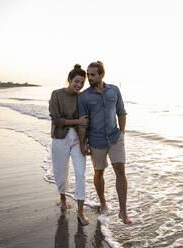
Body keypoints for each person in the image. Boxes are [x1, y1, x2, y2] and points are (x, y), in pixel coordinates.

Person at [77, 61, 132, 224]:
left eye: (93, 75)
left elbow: (121, 113)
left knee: (120, 170)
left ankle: (123, 211)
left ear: (102, 75)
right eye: (88, 74)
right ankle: (102, 202)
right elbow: (83, 123)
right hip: (96, 140)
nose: (89, 78)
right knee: (99, 172)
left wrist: (121, 134)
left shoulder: (114, 90)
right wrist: (83, 143)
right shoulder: (84, 97)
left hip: (115, 138)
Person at [49, 64, 90, 225]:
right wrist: (77, 121)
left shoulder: (82, 98)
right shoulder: (57, 94)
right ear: (70, 79)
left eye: (82, 83)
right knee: (61, 174)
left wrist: (85, 143)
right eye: (76, 82)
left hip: (78, 140)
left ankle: (80, 211)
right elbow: (56, 119)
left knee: (80, 174)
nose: (79, 85)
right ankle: (62, 197)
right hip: (60, 139)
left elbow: (86, 122)